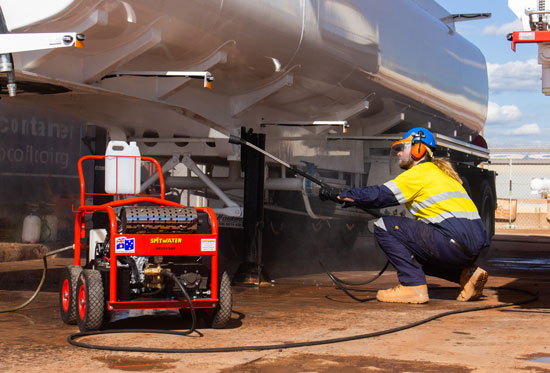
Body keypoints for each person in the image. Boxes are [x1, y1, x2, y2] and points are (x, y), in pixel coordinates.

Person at [319, 127, 489, 304]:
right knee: (415, 253)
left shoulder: (419, 174)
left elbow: (381, 194)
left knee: (383, 225)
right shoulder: (444, 176)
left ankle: (412, 286)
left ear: (418, 149)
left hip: (450, 243)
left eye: (403, 148)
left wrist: (341, 195)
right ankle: (467, 275)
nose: (399, 153)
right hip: (471, 248)